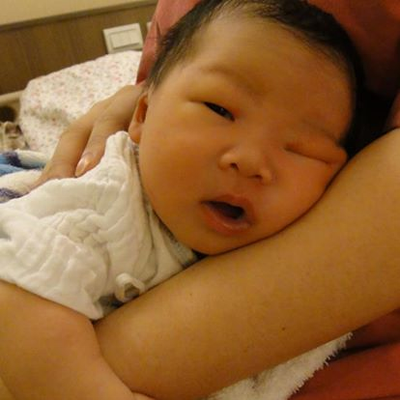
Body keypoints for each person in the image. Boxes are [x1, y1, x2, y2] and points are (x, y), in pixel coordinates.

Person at [0, 1, 400, 400]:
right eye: (219, 110)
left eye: (299, 148)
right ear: (141, 114)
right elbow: (18, 291)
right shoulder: (105, 203)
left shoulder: (302, 238)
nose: (250, 161)